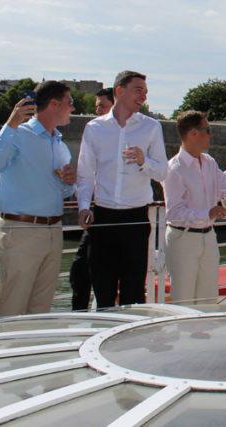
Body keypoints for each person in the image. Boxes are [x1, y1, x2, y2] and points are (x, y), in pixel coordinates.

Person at [0, 82, 76, 317]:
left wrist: (68, 182)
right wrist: (10, 124)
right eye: (70, 103)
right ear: (54, 104)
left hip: (53, 230)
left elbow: (61, 192)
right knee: (12, 306)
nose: (73, 108)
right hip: (21, 230)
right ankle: (4, 353)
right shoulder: (19, 134)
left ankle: (29, 353)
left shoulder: (60, 145)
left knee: (41, 309)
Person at [76, 70, 167, 309]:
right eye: (139, 90)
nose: (143, 97)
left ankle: (130, 344)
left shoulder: (151, 127)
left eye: (146, 92)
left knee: (134, 291)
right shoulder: (94, 128)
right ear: (119, 90)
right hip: (103, 217)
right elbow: (85, 172)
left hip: (136, 219)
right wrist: (84, 206)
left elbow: (162, 172)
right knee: (103, 288)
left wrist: (142, 161)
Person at [163, 111, 226, 305]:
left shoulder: (210, 162)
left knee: (208, 297)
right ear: (194, 133)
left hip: (209, 236)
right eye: (208, 130)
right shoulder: (174, 168)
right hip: (183, 239)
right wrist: (208, 213)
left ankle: (204, 334)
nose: (211, 134)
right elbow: (174, 212)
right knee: (184, 299)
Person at [69, 85, 115, 311]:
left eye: (102, 107)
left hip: (108, 214)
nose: (97, 111)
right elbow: (85, 175)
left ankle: (92, 314)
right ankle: (80, 313)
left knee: (90, 269)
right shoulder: (95, 132)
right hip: (94, 213)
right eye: (97, 107)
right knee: (80, 269)